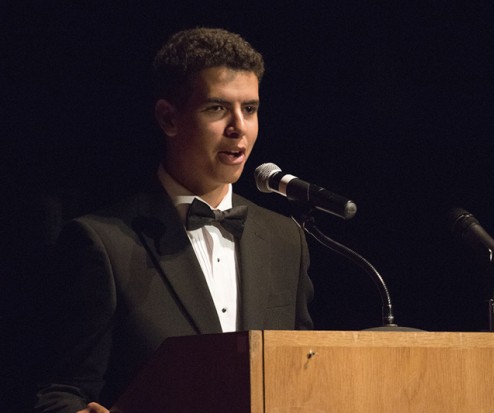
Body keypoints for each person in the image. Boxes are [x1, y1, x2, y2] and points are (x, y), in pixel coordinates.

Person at [34, 27, 314, 413]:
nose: (239, 127)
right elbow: (60, 393)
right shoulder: (103, 242)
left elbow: (303, 375)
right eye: (217, 109)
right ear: (169, 118)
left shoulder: (285, 239)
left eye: (249, 109)